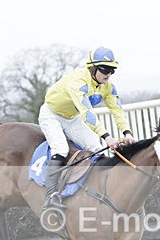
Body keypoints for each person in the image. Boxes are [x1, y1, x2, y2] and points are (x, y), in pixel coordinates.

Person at [38, 46, 135, 212]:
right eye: (105, 69)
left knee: (97, 149)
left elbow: (117, 110)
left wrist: (127, 133)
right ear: (93, 68)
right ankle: (50, 196)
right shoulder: (78, 82)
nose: (108, 74)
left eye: (112, 70)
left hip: (71, 118)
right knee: (60, 148)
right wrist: (107, 136)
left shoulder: (108, 87)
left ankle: (100, 189)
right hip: (51, 114)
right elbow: (87, 114)